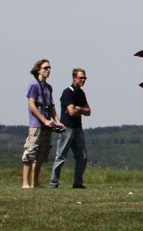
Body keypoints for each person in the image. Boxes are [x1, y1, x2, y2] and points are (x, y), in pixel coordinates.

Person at [21, 59, 64, 189]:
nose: (48, 70)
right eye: (46, 68)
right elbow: (31, 105)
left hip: (47, 125)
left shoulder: (49, 87)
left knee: (42, 154)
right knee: (30, 152)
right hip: (37, 125)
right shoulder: (33, 85)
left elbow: (51, 106)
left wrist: (57, 121)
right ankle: (25, 183)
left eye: (49, 68)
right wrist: (43, 120)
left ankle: (35, 183)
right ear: (38, 70)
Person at [49, 67, 91, 189]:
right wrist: (80, 110)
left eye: (85, 78)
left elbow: (88, 111)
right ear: (74, 78)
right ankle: (54, 183)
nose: (83, 80)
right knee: (61, 156)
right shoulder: (67, 92)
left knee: (82, 157)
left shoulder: (81, 93)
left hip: (78, 128)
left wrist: (79, 109)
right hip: (67, 128)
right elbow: (71, 112)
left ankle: (78, 183)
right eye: (81, 77)